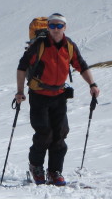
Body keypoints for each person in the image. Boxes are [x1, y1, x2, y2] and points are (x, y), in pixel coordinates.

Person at [15, 13, 100, 186]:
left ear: (65, 27)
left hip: (59, 95)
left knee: (60, 133)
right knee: (44, 132)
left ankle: (55, 171)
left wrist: (92, 84)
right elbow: (22, 67)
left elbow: (81, 65)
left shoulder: (69, 46)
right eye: (52, 26)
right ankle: (36, 166)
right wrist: (19, 91)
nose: (55, 29)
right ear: (47, 27)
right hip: (39, 95)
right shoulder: (39, 45)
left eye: (59, 26)